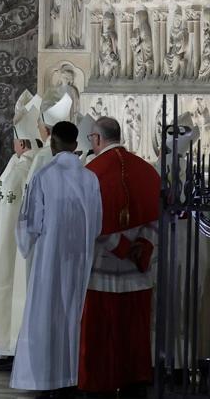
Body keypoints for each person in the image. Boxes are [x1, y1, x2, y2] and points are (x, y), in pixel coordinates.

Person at [11, 121, 103, 398]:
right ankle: (72, 375)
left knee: (46, 315)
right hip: (80, 259)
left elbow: (29, 224)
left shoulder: (43, 176)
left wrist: (26, 246)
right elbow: (97, 224)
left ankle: (45, 377)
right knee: (73, 315)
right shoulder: (90, 178)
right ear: (76, 146)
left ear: (52, 144)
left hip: (49, 261)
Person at [79, 117, 161, 396]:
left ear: (97, 139)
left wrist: (120, 246)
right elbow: (156, 217)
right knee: (133, 334)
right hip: (137, 272)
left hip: (101, 270)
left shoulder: (91, 172)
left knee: (100, 335)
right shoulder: (148, 170)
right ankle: (134, 382)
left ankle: (98, 384)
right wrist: (141, 247)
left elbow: (91, 222)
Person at [0, 91, 41, 371]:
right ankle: (5, 346)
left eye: (17, 139)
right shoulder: (21, 165)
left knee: (16, 292)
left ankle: (13, 346)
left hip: (14, 246)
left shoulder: (25, 167)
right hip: (7, 244)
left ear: (23, 141)